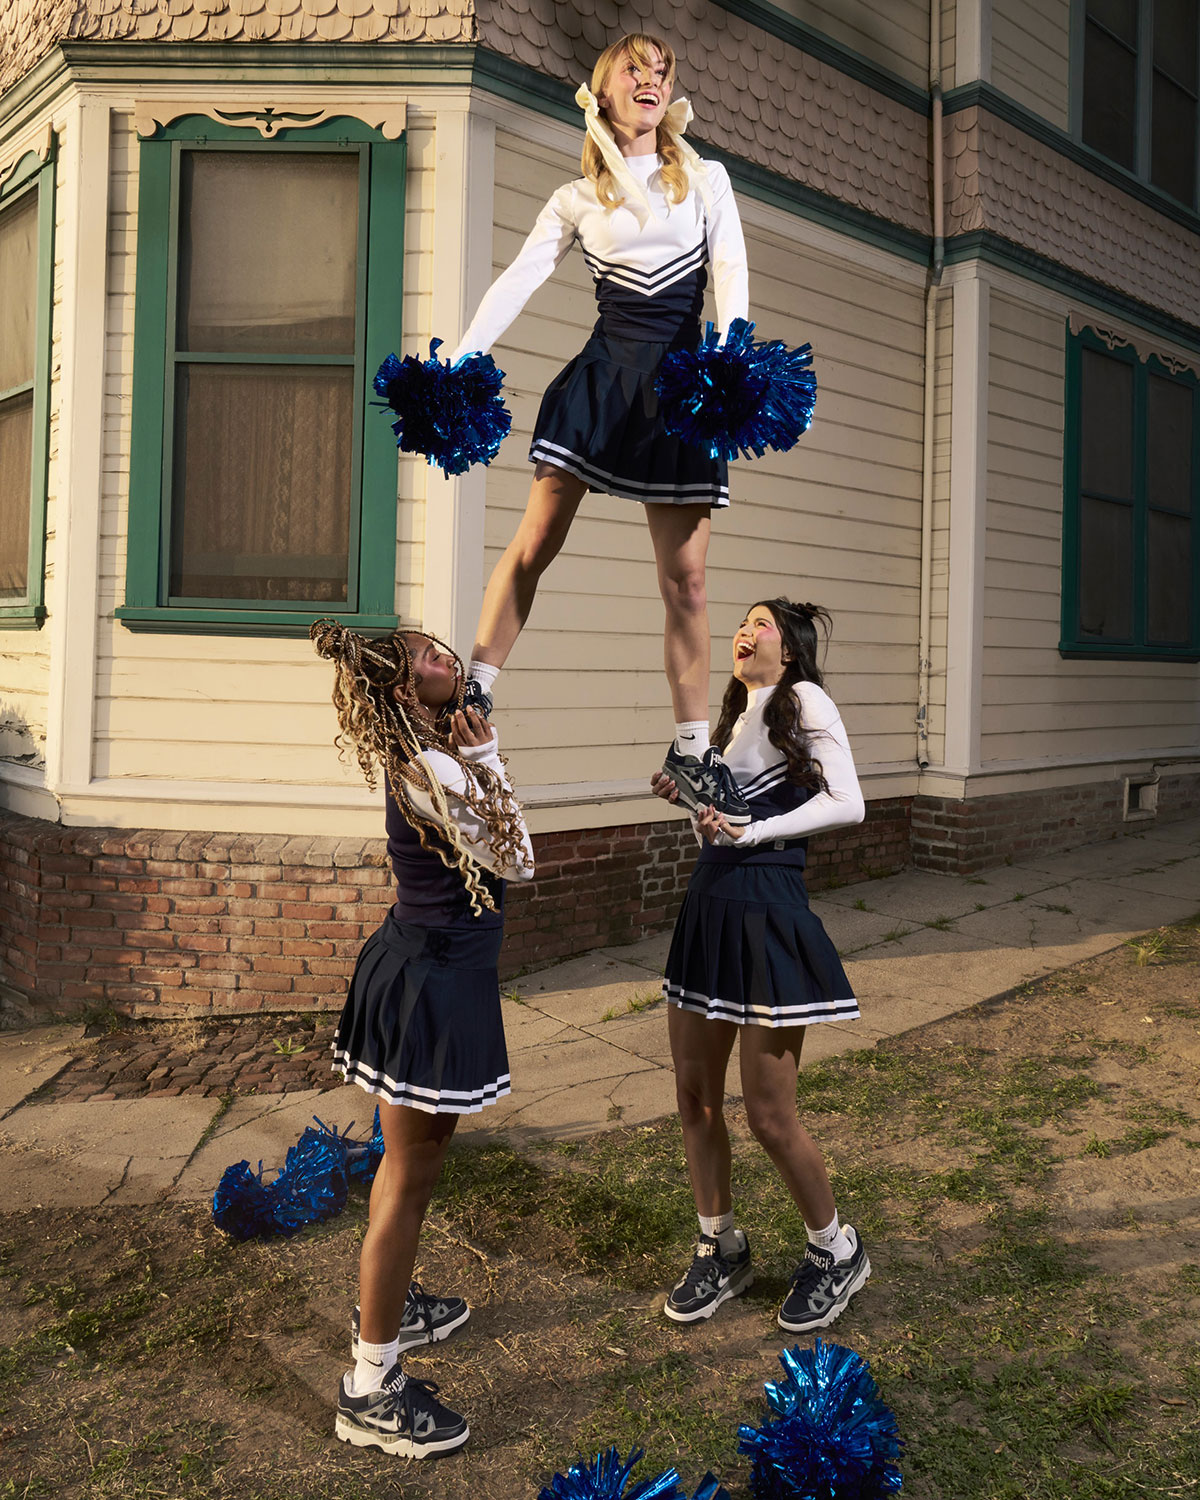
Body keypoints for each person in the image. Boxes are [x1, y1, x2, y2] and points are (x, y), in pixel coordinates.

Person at [449, 31, 751, 823]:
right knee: (537, 540)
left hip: (680, 391)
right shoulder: (575, 199)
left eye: (662, 72)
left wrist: (729, 356)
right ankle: (473, 690)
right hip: (602, 379)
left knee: (687, 582)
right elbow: (518, 280)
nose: (651, 80)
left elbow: (730, 272)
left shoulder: (708, 180)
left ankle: (692, 751)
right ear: (605, 90)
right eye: (635, 69)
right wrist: (461, 358)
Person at [310, 620, 534, 1457]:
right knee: (408, 1177)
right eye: (428, 659)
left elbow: (506, 610)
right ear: (405, 691)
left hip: (430, 969)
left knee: (410, 1168)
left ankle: (391, 1306)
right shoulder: (436, 766)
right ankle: (370, 1388)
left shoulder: (431, 744)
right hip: (429, 983)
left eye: (440, 647)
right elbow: (520, 860)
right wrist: (489, 756)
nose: (448, 658)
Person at [650, 598, 871, 1332]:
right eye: (742, 623)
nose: (745, 632)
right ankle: (720, 1248)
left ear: (792, 648)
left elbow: (849, 802)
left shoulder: (804, 700)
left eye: (762, 624)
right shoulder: (729, 719)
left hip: (769, 908)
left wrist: (757, 831)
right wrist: (693, 801)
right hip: (709, 906)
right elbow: (718, 831)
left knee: (770, 1115)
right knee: (694, 1098)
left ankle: (836, 1250)